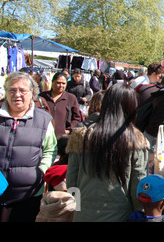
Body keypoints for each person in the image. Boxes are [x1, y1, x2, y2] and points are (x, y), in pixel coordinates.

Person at [65, 83, 150, 222]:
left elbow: (71, 181)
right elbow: (138, 186)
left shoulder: (82, 135)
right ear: (131, 108)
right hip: (121, 214)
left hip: (84, 214)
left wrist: (80, 208)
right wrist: (139, 213)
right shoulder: (136, 140)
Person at [0, 71, 58, 222]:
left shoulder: (43, 120)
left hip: (28, 195)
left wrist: (41, 171)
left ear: (32, 93)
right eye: (12, 90)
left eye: (22, 90)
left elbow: (50, 150)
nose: (17, 95)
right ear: (6, 92)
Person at [39, 72, 82, 139]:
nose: (61, 85)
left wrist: (69, 130)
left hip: (62, 138)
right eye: (58, 83)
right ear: (52, 82)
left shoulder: (71, 98)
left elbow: (77, 118)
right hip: (43, 136)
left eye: (63, 83)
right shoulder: (42, 97)